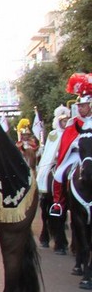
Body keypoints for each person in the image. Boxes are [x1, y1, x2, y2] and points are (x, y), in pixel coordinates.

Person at [50, 75, 92, 217]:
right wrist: (77, 143)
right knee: (59, 174)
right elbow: (66, 142)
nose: (80, 109)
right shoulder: (73, 123)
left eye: (83, 106)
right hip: (76, 155)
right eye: (79, 106)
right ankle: (58, 204)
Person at [36, 105, 70, 253]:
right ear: (58, 121)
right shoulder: (54, 134)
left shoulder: (72, 132)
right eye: (62, 120)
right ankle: (53, 202)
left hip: (70, 160)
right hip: (57, 162)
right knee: (55, 175)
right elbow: (51, 151)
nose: (65, 123)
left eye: (67, 120)